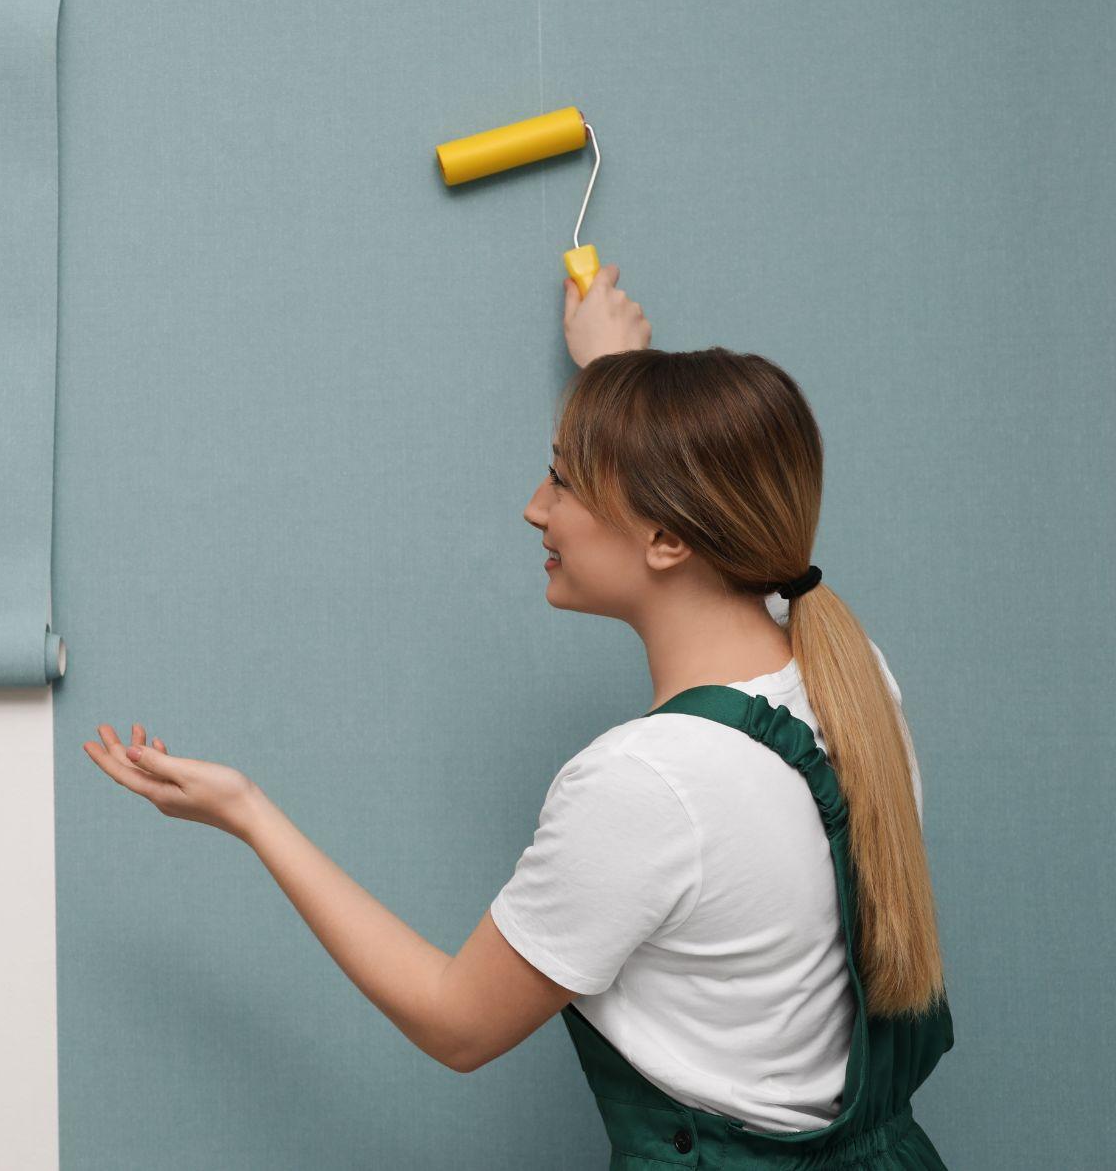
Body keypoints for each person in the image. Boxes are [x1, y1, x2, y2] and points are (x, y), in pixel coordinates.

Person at [85, 265, 954, 1166]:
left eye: (563, 482)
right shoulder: (852, 679)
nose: (535, 508)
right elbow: (713, 503)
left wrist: (248, 811)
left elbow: (456, 1022)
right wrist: (619, 374)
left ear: (668, 537)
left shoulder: (646, 785)